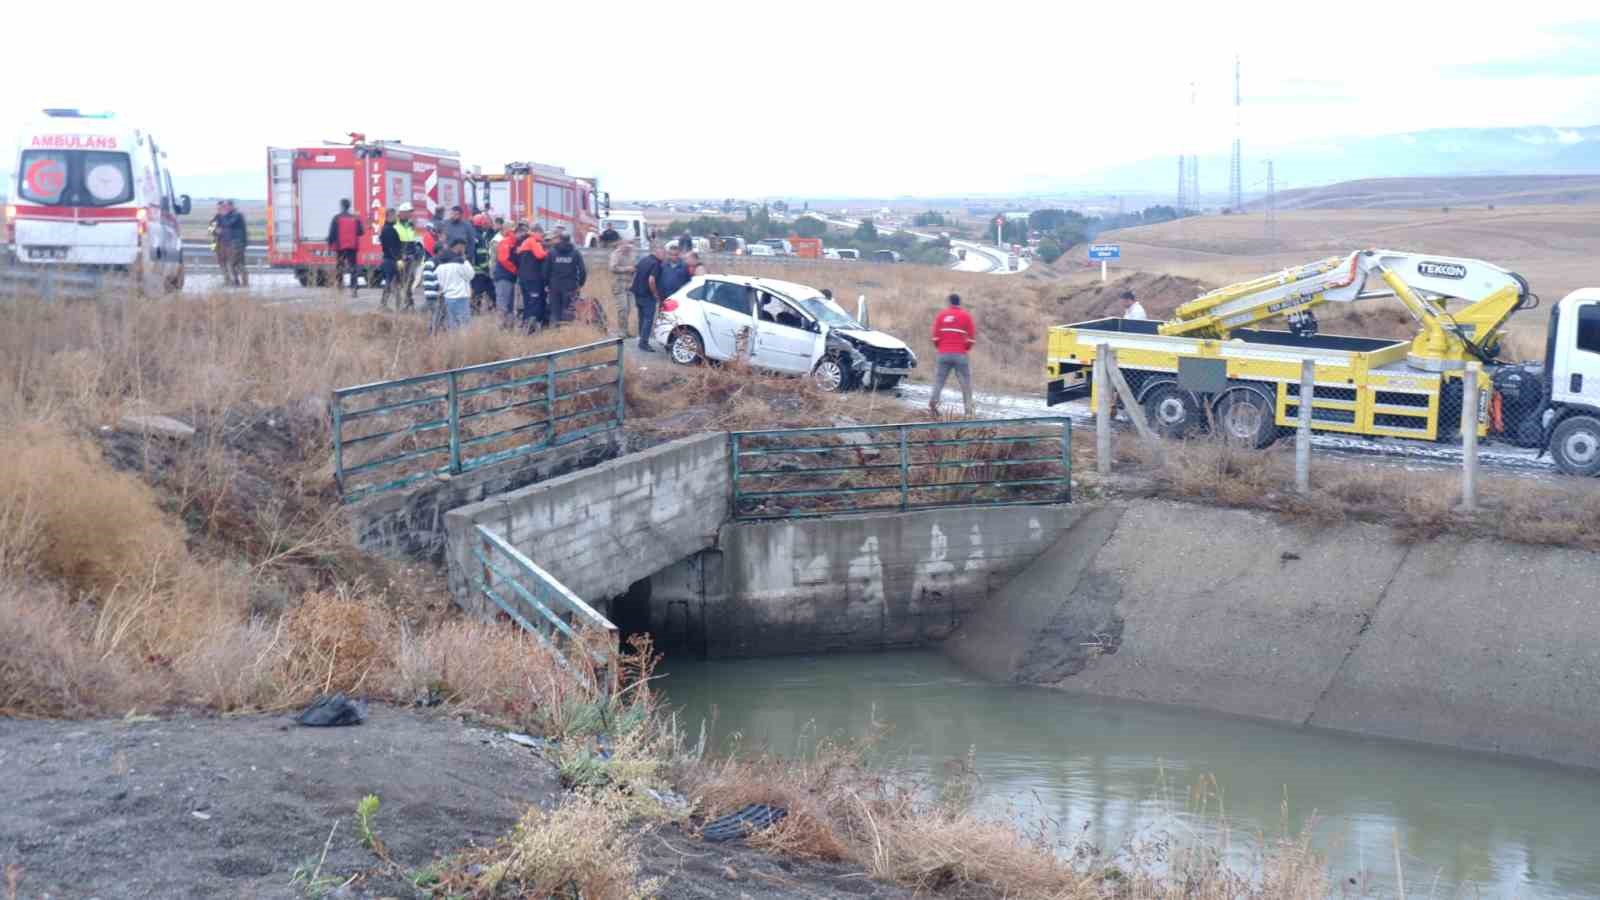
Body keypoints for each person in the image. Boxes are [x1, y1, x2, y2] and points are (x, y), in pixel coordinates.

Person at [929, 293, 976, 418]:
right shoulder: (966, 316)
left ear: (949, 302)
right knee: (965, 383)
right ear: (959, 303)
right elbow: (971, 338)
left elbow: (935, 337)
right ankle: (968, 412)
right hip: (960, 354)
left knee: (939, 381)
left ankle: (933, 407)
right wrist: (964, 348)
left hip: (943, 353)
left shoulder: (941, 315)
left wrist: (941, 348)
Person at [542, 230, 587, 325]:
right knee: (569, 311)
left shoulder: (552, 252)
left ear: (560, 239)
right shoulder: (575, 252)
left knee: (555, 311)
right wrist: (580, 284)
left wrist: (546, 284)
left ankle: (554, 331)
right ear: (569, 239)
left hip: (554, 286)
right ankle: (567, 332)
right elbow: (582, 270)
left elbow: (545, 270)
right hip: (571, 286)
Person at [326, 198, 365, 297]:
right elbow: (361, 232)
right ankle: (354, 290)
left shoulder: (336, 218)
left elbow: (332, 233)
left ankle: (340, 287)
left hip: (340, 247)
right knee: (353, 269)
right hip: (352, 247)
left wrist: (329, 246)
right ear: (349, 206)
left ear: (342, 206)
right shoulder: (355, 218)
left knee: (340, 268)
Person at [630, 242, 665, 351]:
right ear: (657, 252)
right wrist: (655, 293)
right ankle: (643, 343)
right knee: (648, 319)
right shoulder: (656, 264)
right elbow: (651, 280)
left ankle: (641, 338)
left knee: (641, 317)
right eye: (663, 253)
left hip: (637, 292)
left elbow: (634, 271)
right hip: (647, 295)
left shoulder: (644, 260)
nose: (664, 256)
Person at [515, 225, 550, 331]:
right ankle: (531, 328)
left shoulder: (524, 243)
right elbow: (540, 255)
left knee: (527, 302)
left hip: (524, 278)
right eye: (541, 234)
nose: (542, 237)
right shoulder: (532, 241)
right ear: (536, 232)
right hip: (533, 279)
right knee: (534, 302)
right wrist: (549, 252)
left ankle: (526, 325)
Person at [435, 240, 475, 330]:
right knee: (464, 325)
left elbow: (439, 282)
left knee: (452, 325)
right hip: (461, 297)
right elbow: (471, 275)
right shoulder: (458, 266)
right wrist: (465, 261)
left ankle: (453, 342)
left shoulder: (439, 268)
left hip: (448, 298)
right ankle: (463, 343)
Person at [493, 222, 526, 327]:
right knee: (503, 304)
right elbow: (503, 260)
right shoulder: (506, 242)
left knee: (510, 305)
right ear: (516, 232)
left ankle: (509, 327)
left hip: (510, 277)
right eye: (521, 232)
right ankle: (501, 327)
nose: (523, 235)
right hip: (503, 277)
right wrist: (516, 271)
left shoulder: (514, 243)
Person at [216, 200, 249, 287]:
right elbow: (210, 229)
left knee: (234, 264)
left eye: (225, 206)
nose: (224, 208)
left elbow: (228, 224)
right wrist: (215, 231)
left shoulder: (236, 215)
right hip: (220, 244)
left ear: (231, 206)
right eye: (222, 207)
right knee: (224, 263)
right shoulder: (218, 217)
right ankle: (231, 281)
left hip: (234, 244)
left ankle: (239, 282)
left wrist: (222, 217)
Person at [607, 240, 637, 337]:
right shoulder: (616, 254)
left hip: (630, 284)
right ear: (621, 245)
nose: (627, 247)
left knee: (628, 308)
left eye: (629, 245)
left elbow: (635, 267)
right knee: (622, 308)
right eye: (625, 245)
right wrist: (627, 268)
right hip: (619, 284)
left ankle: (625, 330)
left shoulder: (633, 254)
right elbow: (612, 268)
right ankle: (622, 331)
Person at [392, 203, 419, 308]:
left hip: (410, 257)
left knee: (410, 279)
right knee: (399, 280)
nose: (410, 215)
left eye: (410, 212)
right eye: (408, 212)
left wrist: (415, 253)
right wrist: (399, 256)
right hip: (400, 258)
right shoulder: (394, 225)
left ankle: (408, 302)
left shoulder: (410, 226)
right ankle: (400, 303)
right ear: (402, 213)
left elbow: (412, 241)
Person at [378, 207, 405, 310]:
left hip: (391, 259)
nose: (396, 217)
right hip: (391, 259)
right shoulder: (388, 229)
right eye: (394, 216)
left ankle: (396, 305)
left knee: (396, 282)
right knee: (391, 282)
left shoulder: (389, 228)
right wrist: (399, 259)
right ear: (389, 216)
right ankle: (384, 304)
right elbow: (391, 247)